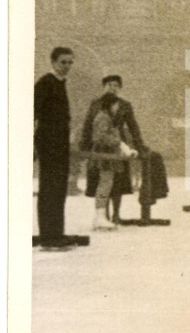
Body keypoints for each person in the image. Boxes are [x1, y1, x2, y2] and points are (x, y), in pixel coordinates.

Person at [79, 75, 145, 223]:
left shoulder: (124, 105)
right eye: (109, 85)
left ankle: (116, 214)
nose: (112, 88)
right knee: (103, 181)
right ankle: (103, 214)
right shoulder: (96, 104)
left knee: (118, 181)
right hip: (102, 146)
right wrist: (84, 143)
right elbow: (88, 124)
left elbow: (133, 126)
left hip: (120, 145)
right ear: (104, 87)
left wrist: (138, 144)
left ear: (119, 88)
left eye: (116, 85)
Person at [34, 47, 78, 251]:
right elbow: (33, 113)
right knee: (50, 189)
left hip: (60, 145)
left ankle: (56, 233)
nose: (67, 66)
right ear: (53, 62)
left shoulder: (60, 83)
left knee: (59, 189)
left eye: (70, 62)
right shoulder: (45, 84)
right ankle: (49, 237)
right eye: (63, 62)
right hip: (49, 145)